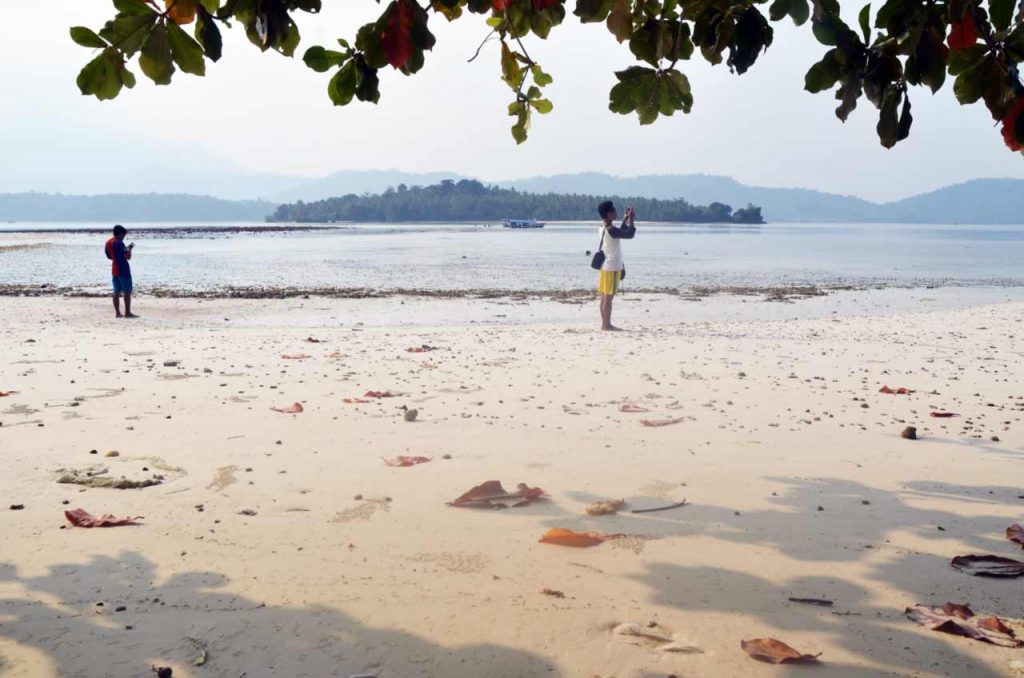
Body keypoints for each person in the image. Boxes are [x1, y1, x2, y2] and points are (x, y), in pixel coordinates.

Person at [596, 200, 636, 331]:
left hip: (605, 266)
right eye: (613, 210)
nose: (615, 212)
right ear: (608, 214)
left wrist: (625, 220)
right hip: (612, 267)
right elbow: (629, 235)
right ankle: (607, 325)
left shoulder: (603, 228)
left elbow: (620, 233)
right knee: (608, 298)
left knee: (604, 297)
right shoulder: (611, 229)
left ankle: (604, 324)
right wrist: (632, 220)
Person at [104, 225, 136, 318]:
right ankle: (127, 312)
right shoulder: (119, 243)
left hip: (115, 268)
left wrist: (117, 256)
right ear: (121, 234)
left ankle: (117, 313)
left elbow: (109, 256)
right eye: (123, 235)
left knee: (116, 292)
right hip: (123, 269)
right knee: (127, 292)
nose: (124, 237)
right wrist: (129, 249)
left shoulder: (108, 242)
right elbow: (127, 257)